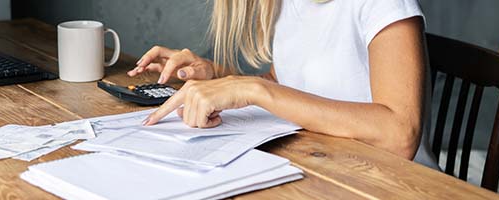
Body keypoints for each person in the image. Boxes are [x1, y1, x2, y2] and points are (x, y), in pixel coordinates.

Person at [127, 0, 439, 169]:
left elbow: (400, 136)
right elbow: (284, 83)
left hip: (399, 185)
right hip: (329, 170)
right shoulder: (287, 3)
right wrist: (218, 77)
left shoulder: (385, 5)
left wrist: (251, 88)